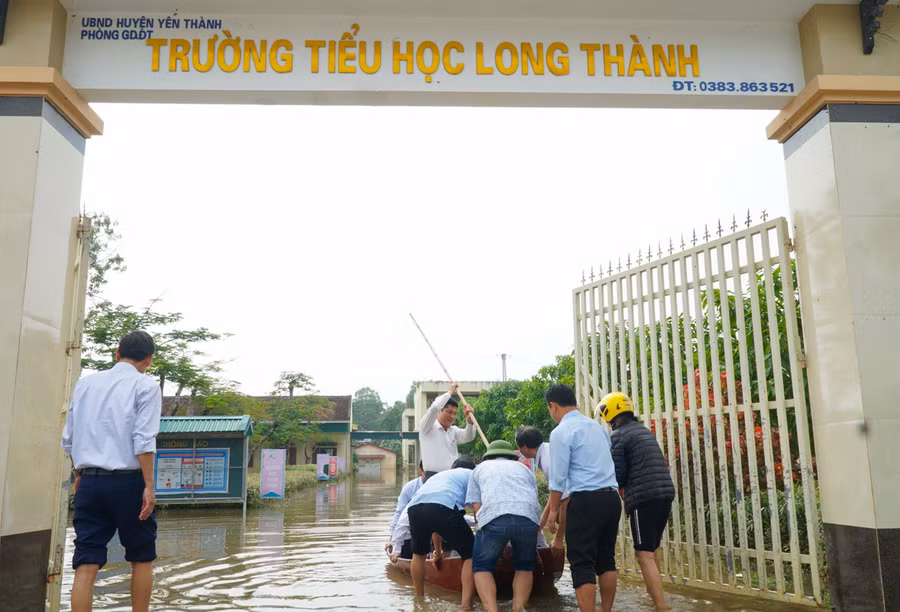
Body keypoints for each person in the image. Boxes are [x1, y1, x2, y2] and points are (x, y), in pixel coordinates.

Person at [61, 330, 162, 612]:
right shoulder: (146, 386)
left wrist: (79, 475)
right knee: (141, 558)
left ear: (117, 353)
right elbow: (144, 440)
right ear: (149, 360)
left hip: (90, 483)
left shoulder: (86, 384)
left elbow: (68, 437)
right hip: (129, 483)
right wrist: (149, 486)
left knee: (86, 562)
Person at [545, 384, 620, 612]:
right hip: (611, 499)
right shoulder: (597, 428)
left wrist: (554, 510)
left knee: (582, 562)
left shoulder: (560, 432)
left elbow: (558, 478)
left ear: (553, 406)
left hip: (585, 501)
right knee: (606, 560)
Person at [599, 392, 676, 611]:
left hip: (644, 497)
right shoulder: (643, 432)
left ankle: (660, 606)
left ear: (610, 413)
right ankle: (653, 597)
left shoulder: (619, 436)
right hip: (664, 493)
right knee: (652, 550)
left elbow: (619, 474)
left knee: (643, 554)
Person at [466, 440, 542, 612]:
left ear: (488, 457)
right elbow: (533, 498)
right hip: (528, 516)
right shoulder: (524, 468)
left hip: (495, 515)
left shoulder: (479, 469)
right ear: (512, 456)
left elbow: (477, 510)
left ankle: (492, 610)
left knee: (482, 566)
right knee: (524, 565)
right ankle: (518, 608)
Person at [406, 457, 477, 607]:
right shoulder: (473, 475)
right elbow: (479, 511)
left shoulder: (442, 476)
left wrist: (438, 552)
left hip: (415, 507)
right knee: (471, 554)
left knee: (418, 554)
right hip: (443, 505)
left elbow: (435, 525)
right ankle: (466, 606)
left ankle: (419, 601)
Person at [515, 426, 567, 552]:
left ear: (525, 448)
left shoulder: (548, 461)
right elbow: (554, 492)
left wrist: (559, 537)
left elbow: (565, 498)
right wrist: (542, 522)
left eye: (519, 447)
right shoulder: (548, 451)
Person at [419, 381, 476, 480]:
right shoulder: (427, 428)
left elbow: (469, 436)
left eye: (455, 413)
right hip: (433, 478)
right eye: (449, 412)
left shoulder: (453, 431)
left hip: (452, 477)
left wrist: (470, 422)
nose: (452, 416)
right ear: (440, 410)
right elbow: (435, 407)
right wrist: (450, 392)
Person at [385, 461, 425, 553]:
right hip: (409, 534)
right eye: (427, 473)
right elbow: (399, 513)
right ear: (420, 471)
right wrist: (392, 538)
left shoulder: (438, 486)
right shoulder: (410, 488)